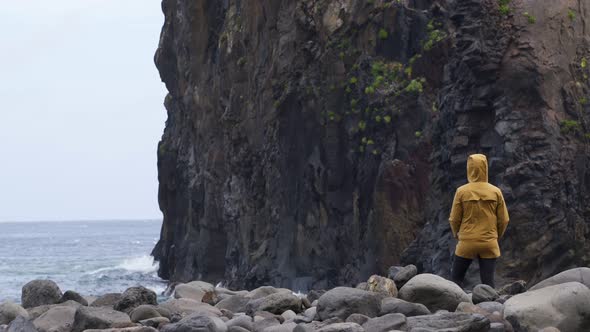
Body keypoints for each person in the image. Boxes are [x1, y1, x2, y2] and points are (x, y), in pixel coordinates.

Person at [449, 154, 509, 288]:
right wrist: (496, 236)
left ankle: (455, 307)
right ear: (485, 168)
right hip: (489, 242)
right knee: (488, 283)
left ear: (469, 168)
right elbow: (504, 219)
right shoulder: (496, 191)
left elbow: (454, 219)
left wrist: (456, 234)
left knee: (456, 280)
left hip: (467, 242)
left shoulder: (461, 191)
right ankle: (492, 307)